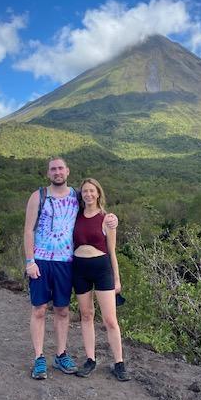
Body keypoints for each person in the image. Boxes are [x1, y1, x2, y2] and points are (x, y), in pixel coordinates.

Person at [23, 156, 117, 380]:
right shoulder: (38, 196)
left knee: (63, 310)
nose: (57, 172)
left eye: (60, 169)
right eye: (53, 169)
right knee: (39, 310)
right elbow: (28, 231)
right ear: (48, 173)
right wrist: (30, 262)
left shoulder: (77, 196)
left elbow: (95, 211)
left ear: (67, 171)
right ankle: (38, 358)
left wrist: (112, 219)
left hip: (67, 262)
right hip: (42, 261)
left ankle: (61, 354)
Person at [72, 177, 131, 381]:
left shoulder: (107, 219)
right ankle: (90, 359)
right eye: (84, 191)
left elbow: (112, 251)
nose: (88, 194)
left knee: (110, 319)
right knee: (86, 315)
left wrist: (117, 279)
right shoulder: (76, 216)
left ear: (98, 193)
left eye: (92, 191)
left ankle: (119, 363)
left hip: (102, 268)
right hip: (79, 268)